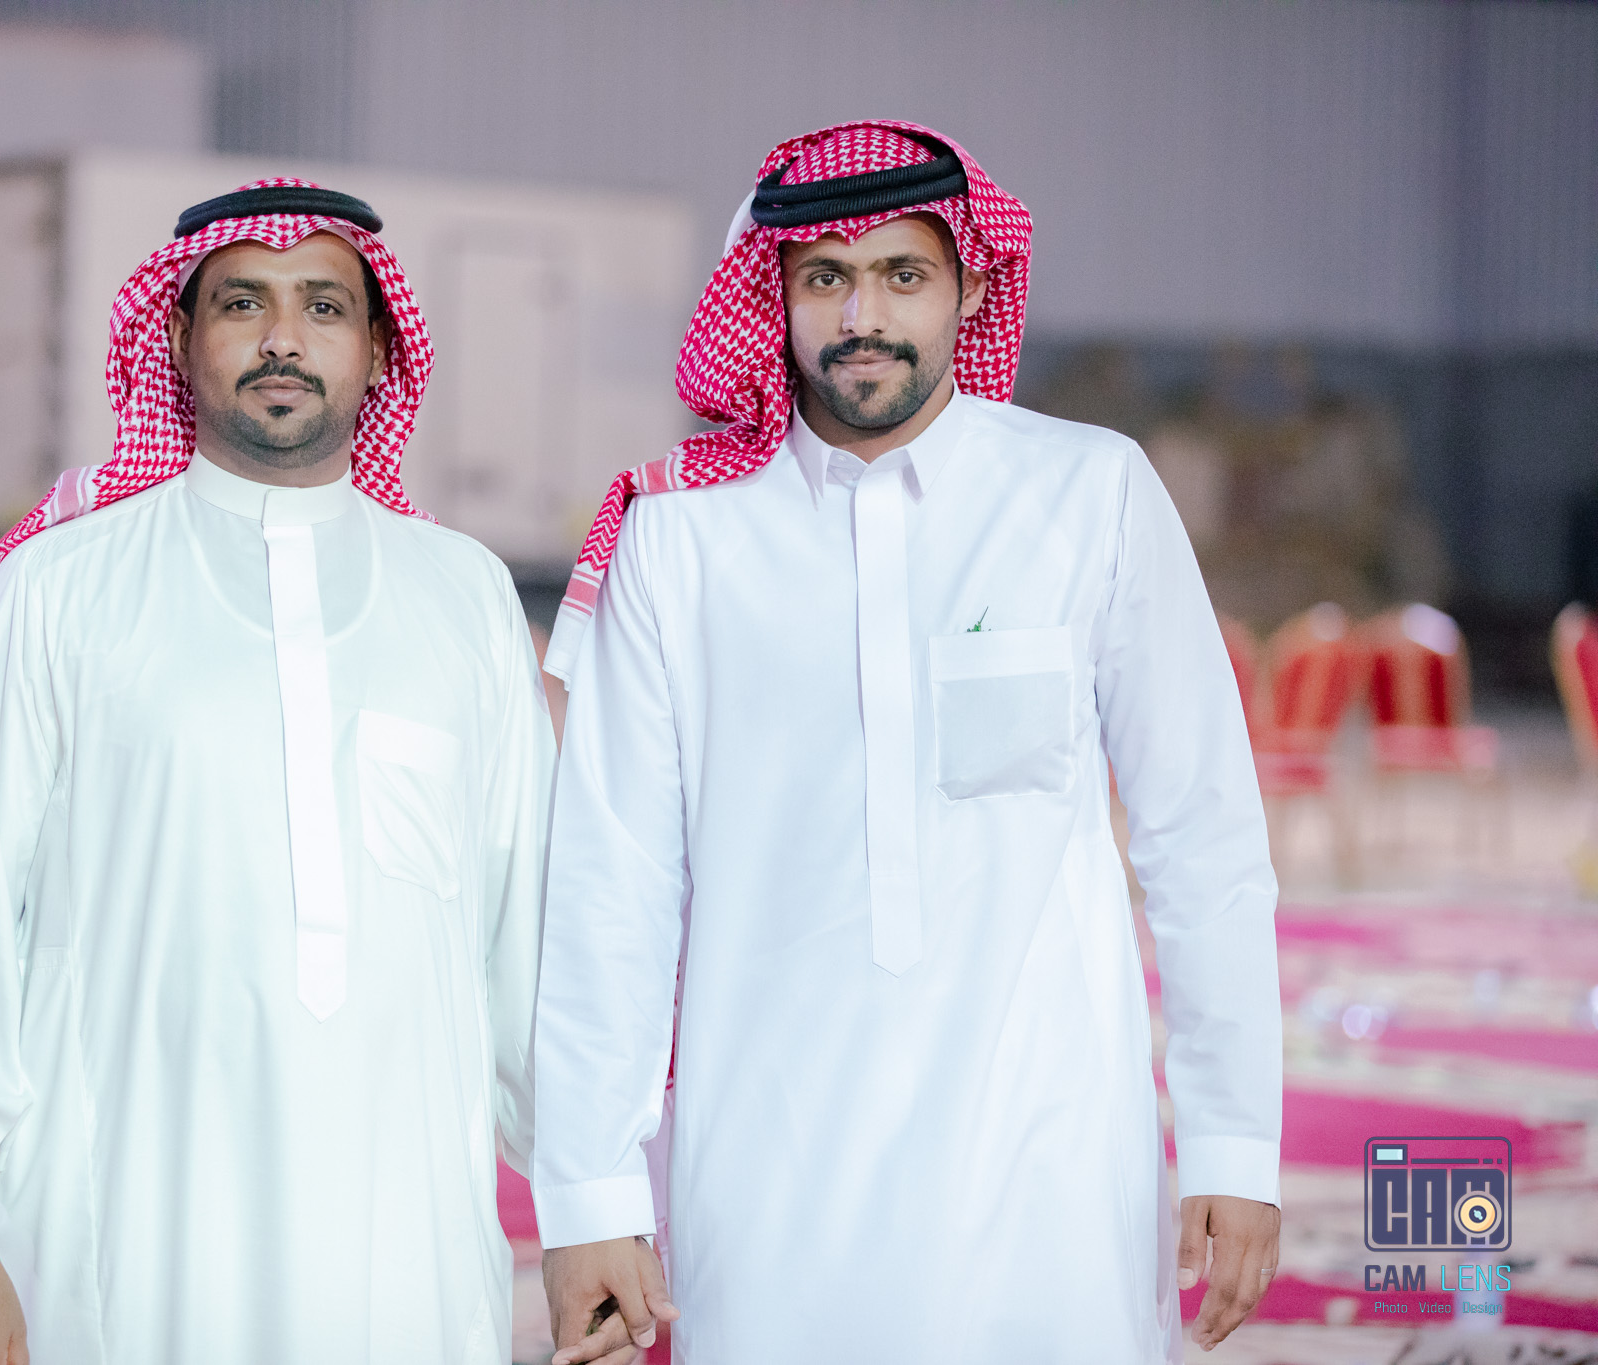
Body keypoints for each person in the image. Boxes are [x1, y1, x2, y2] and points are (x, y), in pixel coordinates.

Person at [532, 121, 1282, 1363]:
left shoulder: (1088, 492)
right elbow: (610, 882)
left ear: (970, 287)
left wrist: (1232, 1140)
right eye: (823, 277)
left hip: (1047, 1162)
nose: (860, 316)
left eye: (901, 275)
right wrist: (591, 1196)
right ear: (772, 294)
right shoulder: (678, 538)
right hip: (768, 1176)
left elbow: (1200, 836)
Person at [0, 180, 554, 1365]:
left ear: (378, 349)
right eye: (243, 303)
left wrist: (591, 1202)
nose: (283, 337)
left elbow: (530, 937)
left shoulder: (463, 596)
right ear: (178, 339)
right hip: (125, 1229)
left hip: (402, 1240)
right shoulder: (59, 589)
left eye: (323, 307)